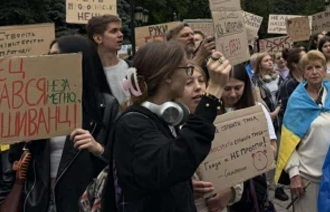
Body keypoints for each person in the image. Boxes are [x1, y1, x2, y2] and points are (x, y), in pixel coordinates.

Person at [102, 42, 231, 212]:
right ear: (169, 76)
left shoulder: (162, 118)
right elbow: (176, 161)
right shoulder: (133, 124)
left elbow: (160, 175)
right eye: (187, 70)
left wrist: (184, 188)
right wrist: (214, 89)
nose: (188, 76)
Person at [23, 36, 120, 212]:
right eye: (48, 56)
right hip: (40, 199)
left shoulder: (106, 106)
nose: (49, 62)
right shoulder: (38, 102)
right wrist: (27, 140)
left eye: (56, 56)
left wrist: (97, 148)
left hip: (82, 200)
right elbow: (17, 158)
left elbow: (120, 160)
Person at [276, 51, 330, 212]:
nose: (314, 72)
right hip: (308, 178)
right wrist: (294, 174)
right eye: (309, 68)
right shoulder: (297, 100)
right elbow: (288, 142)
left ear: (324, 70)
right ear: (303, 73)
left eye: (318, 67)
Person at [178, 65, 243, 212]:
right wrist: (183, 188)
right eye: (188, 83)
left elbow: (238, 168)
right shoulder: (170, 129)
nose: (198, 87)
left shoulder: (219, 121)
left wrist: (230, 191)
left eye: (202, 81)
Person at [222, 64, 279, 211]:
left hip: (253, 186)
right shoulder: (208, 113)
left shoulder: (257, 109)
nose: (233, 94)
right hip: (222, 187)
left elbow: (272, 147)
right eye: (227, 89)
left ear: (246, 86)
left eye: (237, 88)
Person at [87, 14, 130, 105]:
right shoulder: (89, 72)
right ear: (98, 38)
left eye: (120, 30)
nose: (121, 35)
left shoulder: (131, 67)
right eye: (114, 31)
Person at [277, 47, 307, 122]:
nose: (308, 61)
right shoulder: (287, 85)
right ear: (294, 64)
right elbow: (289, 112)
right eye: (304, 59)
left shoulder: (309, 79)